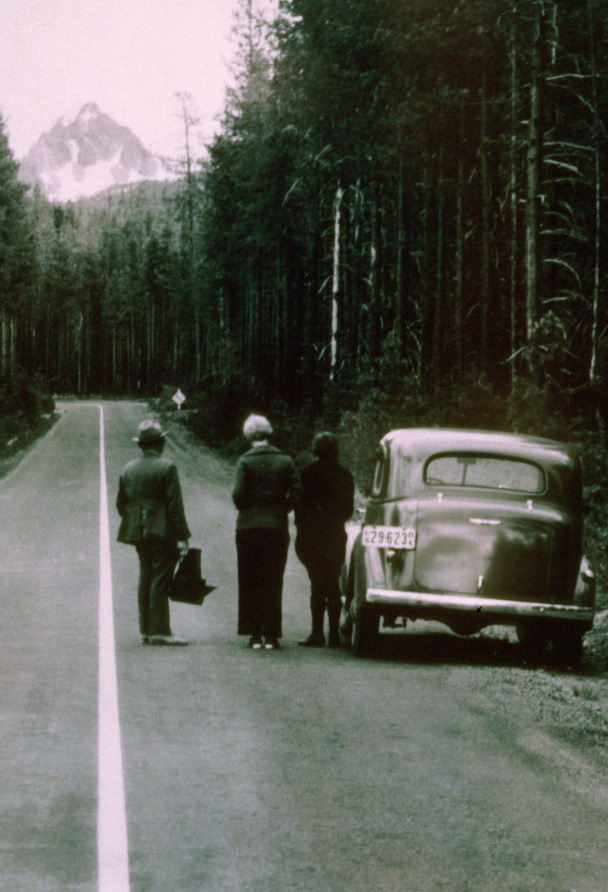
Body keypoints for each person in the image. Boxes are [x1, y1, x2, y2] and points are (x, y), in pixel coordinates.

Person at [116, 419, 191, 646]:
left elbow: (121, 504)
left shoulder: (128, 468)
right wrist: (183, 536)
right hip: (163, 531)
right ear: (160, 443)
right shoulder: (167, 467)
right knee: (160, 577)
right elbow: (174, 506)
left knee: (146, 576)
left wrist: (137, 520)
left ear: (141, 444)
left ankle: (146, 630)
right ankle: (160, 632)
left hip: (138, 531)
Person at [232, 414, 301, 650]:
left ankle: (254, 635)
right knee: (273, 579)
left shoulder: (245, 461)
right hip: (276, 526)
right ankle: (272, 634)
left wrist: (248, 508)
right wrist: (283, 508)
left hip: (248, 526)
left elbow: (238, 495)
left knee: (250, 578)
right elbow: (296, 491)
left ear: (249, 434)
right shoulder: (285, 460)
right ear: (268, 432)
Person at [295, 432, 355, 648]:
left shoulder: (308, 474)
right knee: (332, 584)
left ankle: (317, 633)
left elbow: (300, 507)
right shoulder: (345, 476)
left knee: (317, 584)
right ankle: (334, 635)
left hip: (312, 537)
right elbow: (348, 510)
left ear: (316, 450)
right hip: (335, 535)